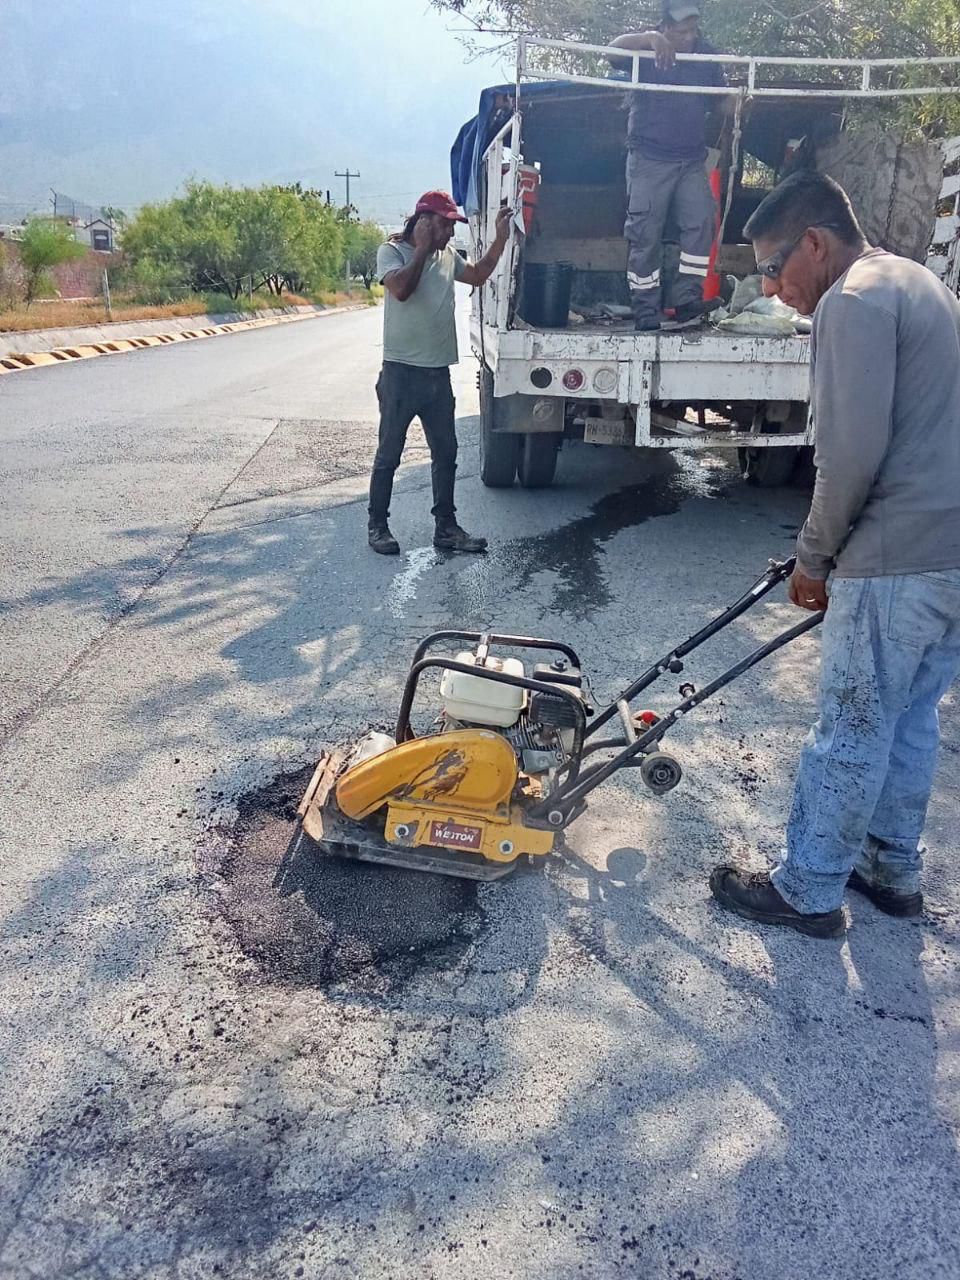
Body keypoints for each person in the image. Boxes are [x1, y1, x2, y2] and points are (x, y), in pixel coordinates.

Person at [710, 170, 960, 938]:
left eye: (773, 266)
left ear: (814, 242)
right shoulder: (921, 284)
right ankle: (891, 870)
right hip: (949, 554)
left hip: (895, 556)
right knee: (909, 719)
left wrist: (813, 558)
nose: (770, 287)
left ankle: (809, 888)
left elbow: (849, 455)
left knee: (851, 723)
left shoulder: (851, 300)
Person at [368, 190, 512, 555]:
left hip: (437, 375)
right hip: (401, 374)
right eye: (445, 225)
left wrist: (500, 239)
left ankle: (446, 528)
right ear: (424, 222)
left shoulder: (448, 256)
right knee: (389, 453)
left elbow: (478, 274)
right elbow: (401, 290)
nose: (451, 233)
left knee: (446, 454)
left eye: (452, 226)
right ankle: (378, 526)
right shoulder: (392, 252)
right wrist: (420, 250)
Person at [611, 1, 725, 332]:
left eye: (693, 30)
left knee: (701, 221)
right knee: (645, 234)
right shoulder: (647, 47)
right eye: (681, 30)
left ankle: (687, 299)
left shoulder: (705, 55)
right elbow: (611, 51)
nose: (689, 37)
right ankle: (646, 309)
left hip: (690, 160)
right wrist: (648, 39)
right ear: (665, 26)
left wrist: (739, 101)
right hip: (649, 158)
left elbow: (720, 101)